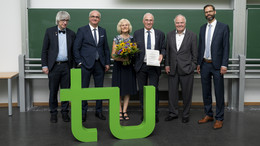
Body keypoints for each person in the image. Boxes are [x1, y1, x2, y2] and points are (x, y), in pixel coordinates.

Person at [73, 10, 110, 122]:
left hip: (100, 64)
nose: (95, 18)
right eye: (93, 16)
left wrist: (107, 62)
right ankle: (83, 112)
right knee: (84, 89)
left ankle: (99, 111)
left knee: (99, 89)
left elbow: (106, 49)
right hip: (85, 65)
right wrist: (79, 62)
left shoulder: (103, 30)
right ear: (89, 18)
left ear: (99, 19)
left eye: (97, 17)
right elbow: (76, 48)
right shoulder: (82, 30)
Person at [197, 4, 230, 129]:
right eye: (206, 12)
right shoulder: (202, 28)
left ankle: (219, 118)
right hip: (205, 64)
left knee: (219, 92)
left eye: (210, 11)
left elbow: (226, 47)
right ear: (204, 14)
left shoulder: (223, 27)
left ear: (215, 12)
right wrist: (199, 63)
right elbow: (201, 47)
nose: (208, 13)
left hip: (217, 66)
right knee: (206, 92)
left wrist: (224, 65)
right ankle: (208, 114)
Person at [41, 11, 76, 123]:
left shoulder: (71, 33)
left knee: (66, 91)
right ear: (58, 21)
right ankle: (53, 113)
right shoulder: (50, 31)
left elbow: (74, 52)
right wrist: (45, 65)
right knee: (53, 91)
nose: (65, 22)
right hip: (54, 67)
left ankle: (65, 113)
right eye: (63, 20)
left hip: (66, 66)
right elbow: (44, 50)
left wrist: (74, 67)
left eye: (66, 20)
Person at [164, 14, 197, 123]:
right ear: (175, 23)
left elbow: (195, 55)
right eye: (177, 23)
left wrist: (192, 67)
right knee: (172, 94)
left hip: (187, 69)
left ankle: (186, 114)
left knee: (187, 94)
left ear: (185, 23)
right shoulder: (169, 35)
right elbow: (168, 52)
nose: (179, 24)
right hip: (172, 69)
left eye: (181, 22)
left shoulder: (192, 35)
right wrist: (167, 65)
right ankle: (173, 113)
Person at [133, 13, 165, 123]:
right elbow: (134, 50)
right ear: (143, 21)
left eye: (151, 20)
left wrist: (162, 55)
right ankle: (144, 112)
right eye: (146, 20)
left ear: (153, 21)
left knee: (154, 90)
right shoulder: (137, 33)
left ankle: (155, 113)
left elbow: (163, 48)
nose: (148, 22)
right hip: (141, 66)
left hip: (154, 66)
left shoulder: (160, 34)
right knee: (142, 91)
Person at [111, 19, 137, 121]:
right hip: (119, 68)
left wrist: (130, 57)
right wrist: (123, 58)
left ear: (129, 27)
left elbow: (135, 54)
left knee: (127, 90)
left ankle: (125, 111)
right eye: (122, 25)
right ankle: (119, 111)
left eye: (126, 25)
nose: (125, 27)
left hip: (129, 68)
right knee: (118, 90)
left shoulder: (132, 39)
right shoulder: (116, 39)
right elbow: (113, 55)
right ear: (120, 27)